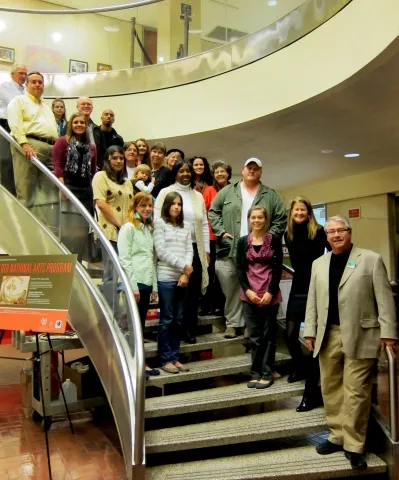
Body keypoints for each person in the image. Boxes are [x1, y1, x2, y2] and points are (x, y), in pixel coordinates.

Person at [304, 215, 397, 470]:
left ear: (350, 232)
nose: (336, 235)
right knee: (331, 388)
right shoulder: (319, 264)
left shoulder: (370, 259)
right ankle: (337, 435)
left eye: (340, 230)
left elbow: (385, 300)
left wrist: (389, 332)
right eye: (331, 232)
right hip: (328, 335)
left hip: (361, 334)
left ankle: (354, 445)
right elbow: (312, 300)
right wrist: (309, 331)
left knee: (356, 391)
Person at [209, 157, 286, 339]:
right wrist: (220, 232)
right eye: (248, 168)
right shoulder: (228, 191)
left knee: (253, 287)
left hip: (258, 253)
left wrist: (267, 238)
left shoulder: (271, 195)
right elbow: (213, 211)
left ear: (260, 172)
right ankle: (233, 323)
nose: (252, 171)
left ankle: (248, 326)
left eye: (255, 168)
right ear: (242, 171)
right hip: (229, 248)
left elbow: (281, 218)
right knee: (231, 287)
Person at [154, 159, 210, 344]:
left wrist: (206, 251)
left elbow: (203, 224)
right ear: (175, 173)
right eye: (181, 171)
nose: (185, 174)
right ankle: (173, 331)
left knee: (192, 292)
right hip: (172, 248)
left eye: (188, 171)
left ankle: (189, 328)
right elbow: (157, 218)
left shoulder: (198, 196)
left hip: (194, 248)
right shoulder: (165, 192)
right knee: (177, 292)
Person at [284, 196, 330, 412]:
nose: (299, 214)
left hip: (317, 287)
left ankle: (311, 389)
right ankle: (302, 369)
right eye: (296, 211)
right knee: (290, 335)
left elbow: (332, 253)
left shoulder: (318, 231)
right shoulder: (288, 233)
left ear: (308, 212)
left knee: (312, 338)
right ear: (291, 213)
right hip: (298, 287)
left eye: (303, 210)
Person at [236, 206, 282, 389]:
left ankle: (267, 372)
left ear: (265, 219)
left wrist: (270, 291)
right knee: (254, 336)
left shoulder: (274, 240)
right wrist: (247, 290)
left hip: (270, 295)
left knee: (268, 335)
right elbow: (239, 268)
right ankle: (255, 373)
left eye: (260, 217)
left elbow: (278, 268)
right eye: (253, 217)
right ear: (249, 220)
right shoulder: (242, 242)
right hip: (249, 295)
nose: (256, 220)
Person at [7, 71, 59, 230]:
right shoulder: (19, 101)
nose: (37, 85)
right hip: (30, 145)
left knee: (47, 194)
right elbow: (15, 123)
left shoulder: (46, 107)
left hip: (51, 148)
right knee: (26, 190)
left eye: (40, 82)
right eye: (34, 82)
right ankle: (24, 231)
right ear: (27, 85)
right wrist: (24, 143)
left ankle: (43, 231)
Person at [118, 192, 159, 378]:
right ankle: (134, 364)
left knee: (140, 326)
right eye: (143, 206)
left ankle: (141, 363)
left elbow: (152, 259)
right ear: (135, 207)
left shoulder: (148, 229)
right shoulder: (128, 228)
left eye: (149, 206)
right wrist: (133, 286)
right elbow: (124, 260)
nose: (147, 209)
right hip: (135, 282)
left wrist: (155, 288)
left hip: (147, 281)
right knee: (132, 327)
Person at [154, 192, 193, 373]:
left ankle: (175, 357)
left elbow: (189, 251)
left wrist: (185, 273)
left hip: (182, 278)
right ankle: (165, 359)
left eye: (179, 204)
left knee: (178, 319)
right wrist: (183, 266)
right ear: (167, 206)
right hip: (166, 278)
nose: (176, 207)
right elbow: (161, 251)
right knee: (167, 319)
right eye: (173, 204)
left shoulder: (187, 226)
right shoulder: (160, 223)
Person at [52, 112, 96, 260]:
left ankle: (78, 263)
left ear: (86, 125)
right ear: (71, 124)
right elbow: (57, 165)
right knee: (68, 229)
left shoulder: (92, 147)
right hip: (69, 188)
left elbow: (93, 170)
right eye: (76, 122)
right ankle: (65, 261)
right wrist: (62, 186)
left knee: (82, 231)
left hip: (86, 191)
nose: (79, 125)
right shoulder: (62, 142)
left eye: (82, 123)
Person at [92, 145, 133, 282]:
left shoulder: (128, 182)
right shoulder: (100, 176)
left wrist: (135, 222)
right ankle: (109, 302)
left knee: (126, 272)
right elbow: (101, 203)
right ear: (107, 160)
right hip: (109, 230)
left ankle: (123, 303)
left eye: (121, 158)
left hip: (126, 231)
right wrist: (119, 224)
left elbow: (133, 207)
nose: (119, 161)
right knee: (111, 272)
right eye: (114, 158)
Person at [201, 159, 232, 315]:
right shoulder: (209, 191)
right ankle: (210, 306)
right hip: (213, 237)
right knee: (212, 272)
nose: (220, 174)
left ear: (228, 173)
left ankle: (224, 306)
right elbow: (204, 213)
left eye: (223, 171)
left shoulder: (235, 189)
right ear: (213, 175)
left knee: (227, 272)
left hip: (230, 237)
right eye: (217, 172)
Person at [0, 64, 27, 195]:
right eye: (20, 73)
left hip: (21, 127)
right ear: (12, 74)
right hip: (5, 125)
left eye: (25, 74)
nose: (23, 76)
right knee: (7, 162)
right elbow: (12, 106)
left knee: (19, 163)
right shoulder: (4, 87)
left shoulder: (25, 91)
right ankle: (7, 194)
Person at [76, 96, 106, 169]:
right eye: (83, 104)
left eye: (88, 104)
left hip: (95, 170)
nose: (86, 106)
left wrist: (98, 166)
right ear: (77, 107)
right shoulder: (69, 126)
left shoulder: (97, 129)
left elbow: (103, 152)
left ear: (92, 108)